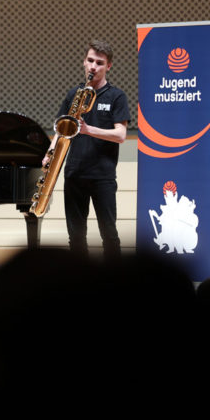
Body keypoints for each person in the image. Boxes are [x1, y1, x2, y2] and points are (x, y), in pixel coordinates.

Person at [44, 39, 129, 262]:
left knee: (109, 235)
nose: (93, 66)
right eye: (90, 61)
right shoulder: (73, 94)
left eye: (99, 63)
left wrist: (89, 130)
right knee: (76, 237)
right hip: (74, 173)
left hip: (102, 176)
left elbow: (120, 135)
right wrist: (49, 154)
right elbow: (60, 129)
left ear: (108, 66)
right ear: (84, 62)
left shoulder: (116, 96)